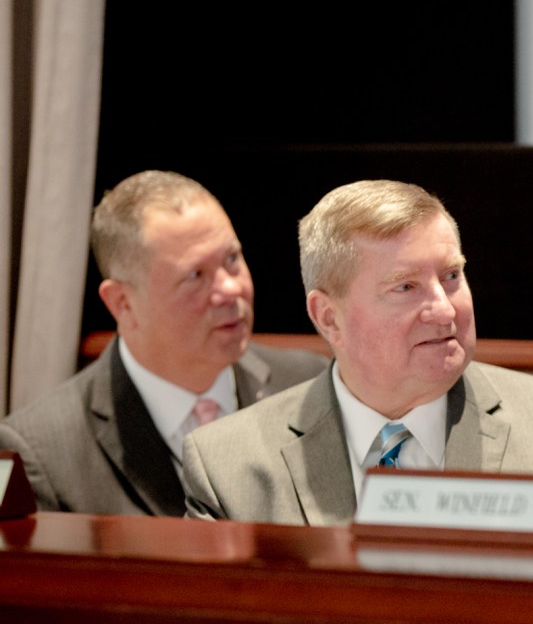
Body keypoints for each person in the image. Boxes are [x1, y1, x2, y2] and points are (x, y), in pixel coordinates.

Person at [181, 179, 533, 525]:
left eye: (451, 276)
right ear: (328, 317)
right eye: (405, 287)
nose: (445, 310)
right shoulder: (229, 466)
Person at [0, 170, 329, 516]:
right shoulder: (40, 453)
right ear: (123, 304)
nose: (231, 289)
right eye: (195, 275)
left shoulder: (311, 386)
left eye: (231, 259)